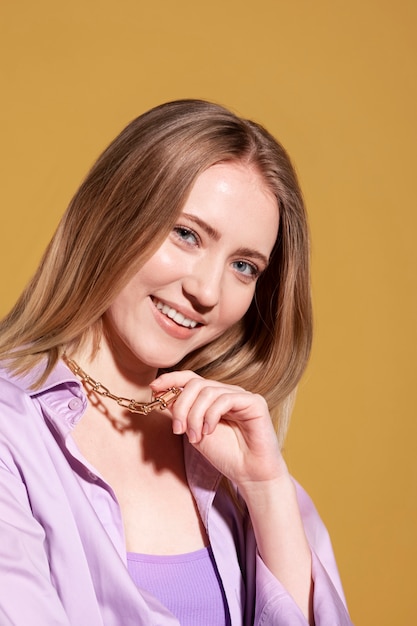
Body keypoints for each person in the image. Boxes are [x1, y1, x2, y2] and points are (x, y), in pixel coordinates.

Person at [0, 99, 353, 625]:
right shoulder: (13, 429)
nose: (207, 291)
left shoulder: (232, 456)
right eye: (186, 234)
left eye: (243, 266)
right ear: (111, 216)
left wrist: (266, 490)